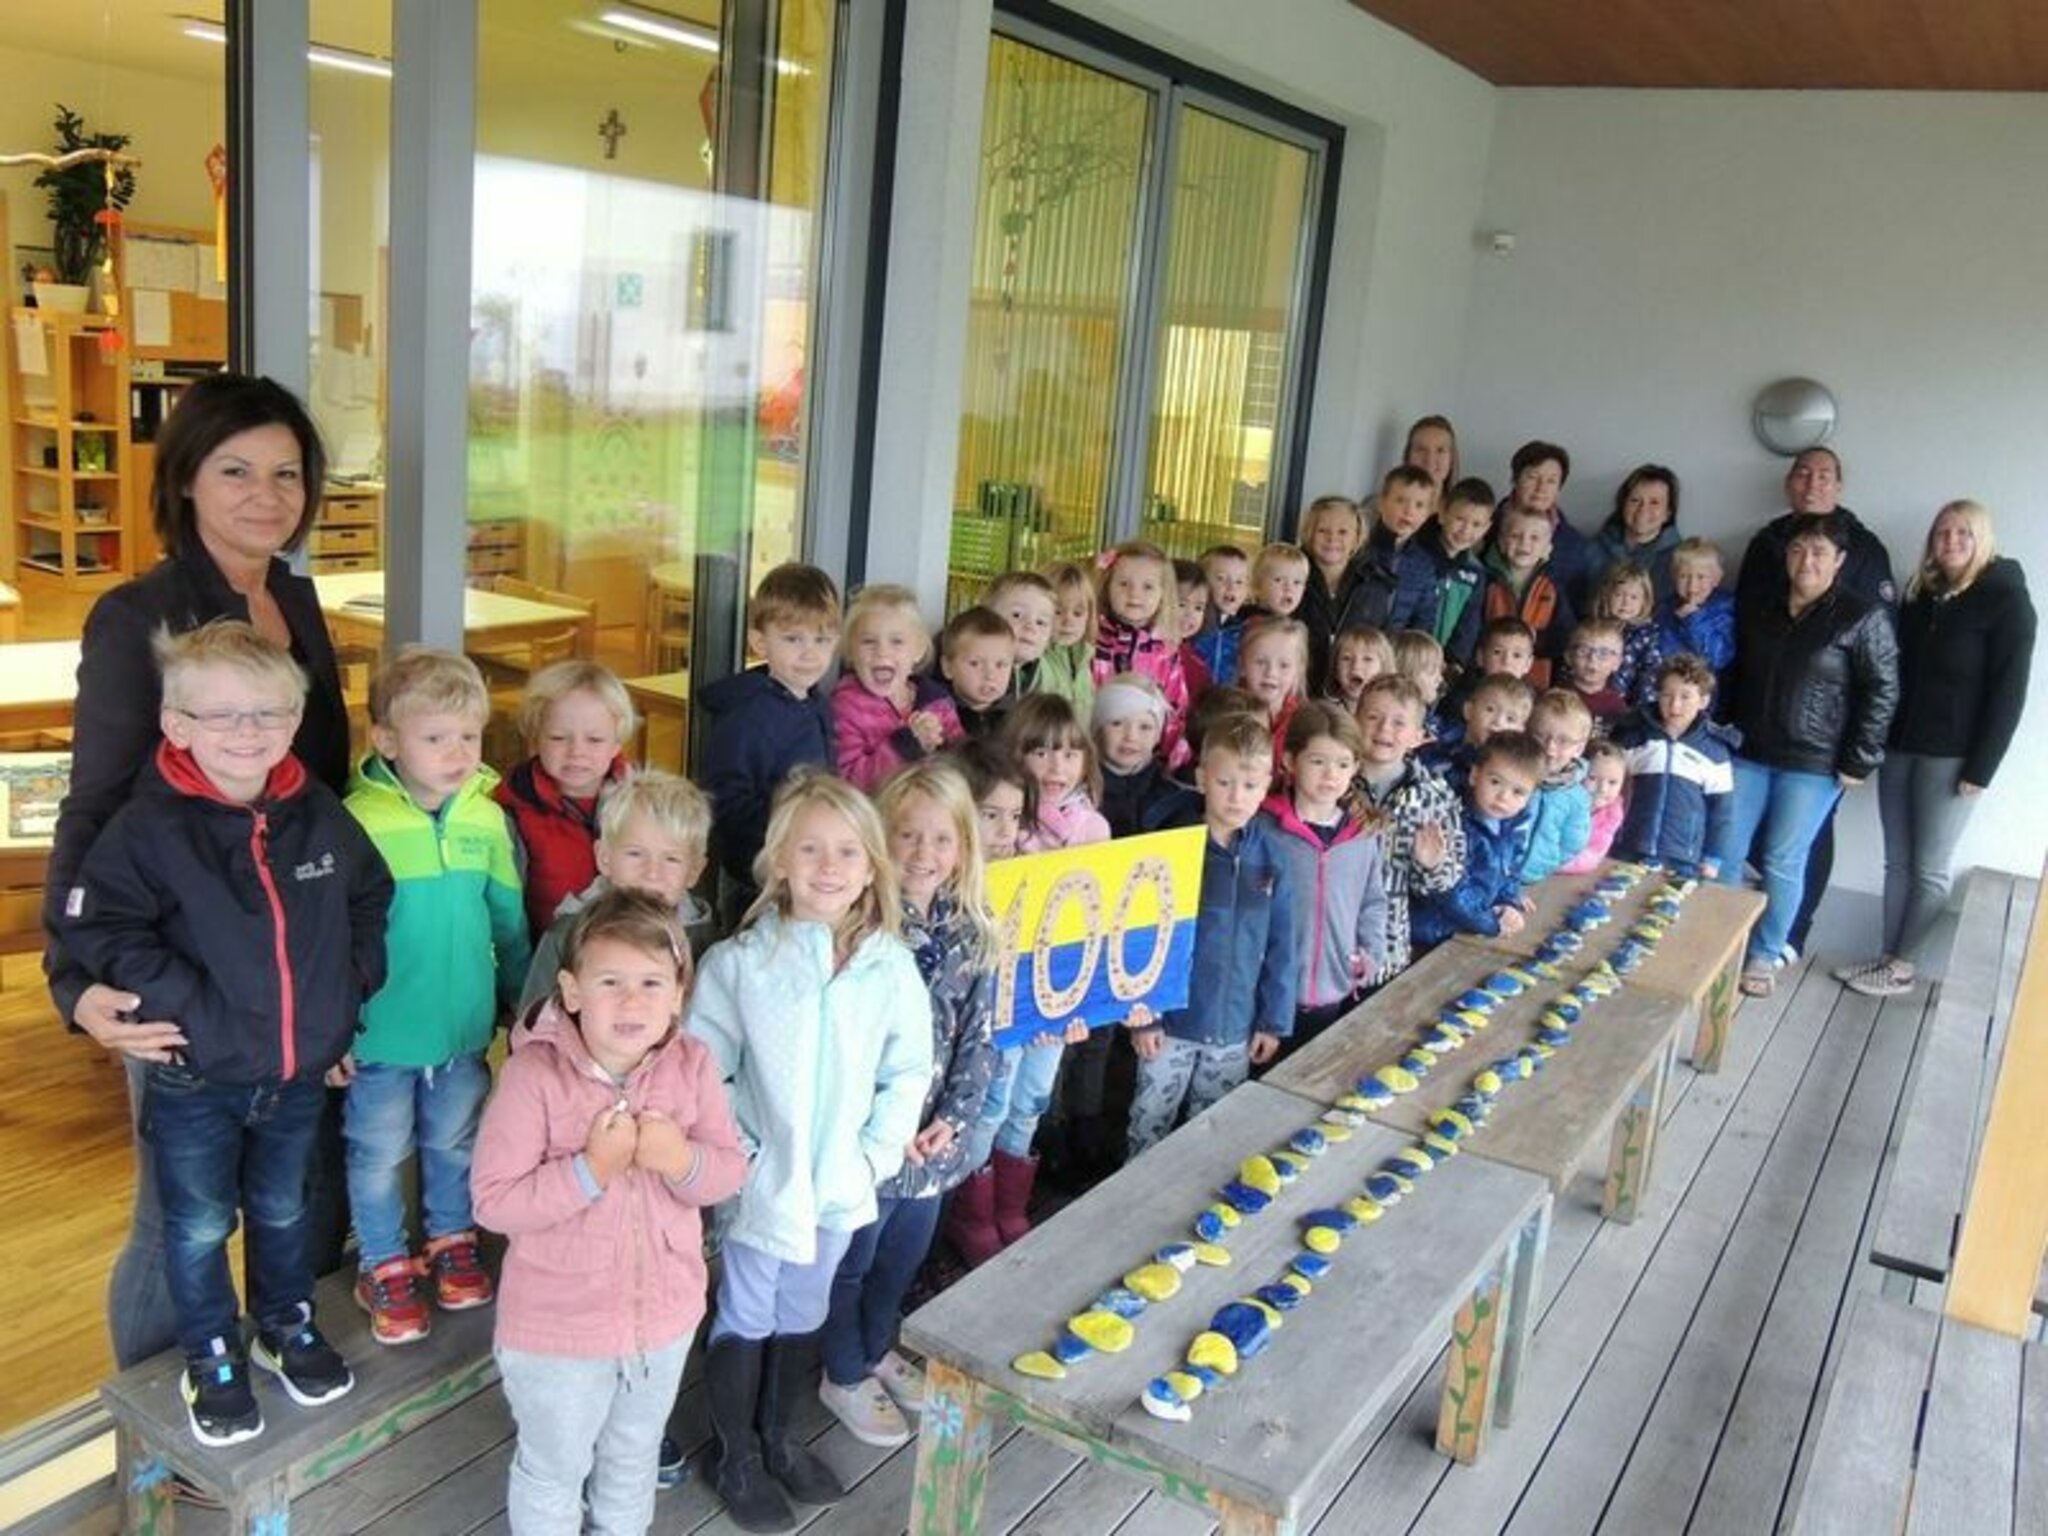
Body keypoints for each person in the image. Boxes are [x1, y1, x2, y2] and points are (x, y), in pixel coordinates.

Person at [44, 371, 354, 1371]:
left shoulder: (295, 599)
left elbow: (322, 788)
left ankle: (276, 1367)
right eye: (235, 471)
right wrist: (74, 978)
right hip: (186, 969)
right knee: (180, 1216)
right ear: (185, 480)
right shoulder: (138, 613)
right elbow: (94, 804)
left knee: (297, 1191)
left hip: (293, 967)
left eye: (286, 473)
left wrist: (346, 973)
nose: (266, 495)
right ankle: (154, 1431)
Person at [60, 621, 391, 1445]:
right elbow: (104, 926)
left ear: (295, 718)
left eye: (270, 713)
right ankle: (211, 1353)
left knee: (283, 1210)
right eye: (223, 715)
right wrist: (187, 1002)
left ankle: (285, 1325)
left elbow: (369, 895)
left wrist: (344, 994)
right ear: (177, 725)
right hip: (194, 1076)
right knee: (198, 1226)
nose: (249, 731)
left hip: (295, 1076)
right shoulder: (148, 828)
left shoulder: (317, 812)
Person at [687, 774, 933, 1530]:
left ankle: (777, 1437)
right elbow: (706, 1068)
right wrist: (748, 1156)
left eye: (848, 852)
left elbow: (907, 1069)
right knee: (747, 1307)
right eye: (811, 850)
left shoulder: (889, 966)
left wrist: (873, 1157)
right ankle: (735, 1455)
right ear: (779, 860)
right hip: (764, 1184)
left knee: (805, 1307)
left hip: (839, 1184)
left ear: (871, 866)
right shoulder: (739, 965)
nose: (830, 867)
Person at [472, 891, 746, 1536]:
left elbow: (728, 1171)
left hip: (663, 1323)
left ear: (679, 994)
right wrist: (588, 1171)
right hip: (556, 1333)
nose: (631, 1001)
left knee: (633, 1456)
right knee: (554, 1470)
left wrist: (680, 1159)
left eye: (651, 982)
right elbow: (493, 1200)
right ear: (571, 991)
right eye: (610, 982)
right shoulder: (533, 1075)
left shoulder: (693, 1064)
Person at [342, 648, 531, 1345]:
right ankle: (383, 1263)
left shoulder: (486, 819)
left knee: (455, 1143)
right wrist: (334, 1031)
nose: (457, 753)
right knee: (378, 1154)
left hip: (463, 1033)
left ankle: (452, 1240)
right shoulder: (356, 823)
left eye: (469, 736)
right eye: (435, 737)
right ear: (387, 741)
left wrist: (521, 1006)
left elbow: (508, 922)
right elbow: (331, 942)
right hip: (380, 1037)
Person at [818, 762, 996, 1448]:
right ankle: (841, 1371)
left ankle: (874, 1347)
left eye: (941, 839)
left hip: (931, 1145)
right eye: (907, 836)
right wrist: (878, 1127)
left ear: (963, 847)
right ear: (879, 839)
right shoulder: (859, 927)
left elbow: (981, 1037)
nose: (924, 854)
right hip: (868, 1140)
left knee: (902, 1258)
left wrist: (953, 1119)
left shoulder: (974, 930)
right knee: (851, 1261)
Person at [1836, 501, 2036, 997]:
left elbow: (2009, 694)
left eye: (1963, 533)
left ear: (1983, 539)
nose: (1950, 541)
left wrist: (1981, 769)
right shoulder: (1921, 594)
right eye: (1942, 532)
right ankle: (1887, 957)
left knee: (1928, 868)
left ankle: (1904, 967)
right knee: (1898, 862)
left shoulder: (2007, 601)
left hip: (1953, 758)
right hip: (1901, 747)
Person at [1720, 516, 1900, 995]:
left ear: (1839, 561)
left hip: (1815, 763)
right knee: (1725, 851)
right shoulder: (1761, 605)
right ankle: (1720, 945)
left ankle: (1764, 955)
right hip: (1749, 751)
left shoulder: (1862, 616)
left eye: (1820, 552)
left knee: (1783, 859)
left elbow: (1882, 690)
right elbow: (1736, 672)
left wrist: (1860, 759)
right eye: (1799, 549)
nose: (1807, 561)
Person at [1126, 712, 1298, 1155]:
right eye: (1224, 783)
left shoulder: (1273, 857)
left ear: (1267, 786)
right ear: (1202, 778)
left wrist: (1272, 1021)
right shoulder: (1171, 848)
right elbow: (1144, 936)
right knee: (1148, 1126)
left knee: (1215, 1134)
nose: (1237, 796)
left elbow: (1283, 947)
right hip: (1170, 1027)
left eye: (1250, 785)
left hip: (1235, 1030)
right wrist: (1145, 1014)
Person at [700, 562, 841, 927]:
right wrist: (786, 833)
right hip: (755, 877)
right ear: (760, 642)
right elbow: (724, 800)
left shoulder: (816, 703)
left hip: (806, 867)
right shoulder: (746, 716)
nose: (810, 653)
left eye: (822, 640)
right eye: (793, 639)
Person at [521, 770, 719, 1015]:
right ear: (604, 858)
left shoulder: (704, 943)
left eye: (671, 859)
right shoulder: (565, 935)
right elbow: (533, 1022)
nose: (652, 873)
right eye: (635, 854)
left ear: (694, 871)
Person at [1264, 704, 1387, 1055]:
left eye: (1343, 764)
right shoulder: (1264, 829)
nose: (1331, 774)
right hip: (1269, 996)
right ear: (1290, 760)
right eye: (1318, 761)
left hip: (1335, 992)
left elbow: (1373, 902)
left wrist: (1369, 954)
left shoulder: (1362, 835)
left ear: (1356, 767)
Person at [497, 659, 636, 939]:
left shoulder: (642, 804)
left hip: (629, 951)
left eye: (594, 740)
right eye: (559, 738)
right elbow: (508, 912)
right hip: (549, 954)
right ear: (535, 740)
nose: (577, 752)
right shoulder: (512, 812)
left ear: (616, 744)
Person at [1353, 677, 1463, 979]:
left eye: (1398, 723)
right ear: (1354, 722)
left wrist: (1432, 865)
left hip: (1387, 944)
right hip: (1327, 940)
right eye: (1373, 717)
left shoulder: (1433, 795)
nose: (1384, 729)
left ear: (1418, 735)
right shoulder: (1336, 783)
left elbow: (1446, 879)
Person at [1410, 732, 1543, 952]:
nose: (1503, 797)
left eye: (1518, 792)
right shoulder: (1455, 824)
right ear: (1474, 775)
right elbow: (1451, 892)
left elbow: (1510, 870)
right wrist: (1493, 923)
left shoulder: (1512, 824)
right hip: (1435, 934)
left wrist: (1508, 902)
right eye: (1495, 782)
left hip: (1472, 928)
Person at [1611, 653, 1736, 878]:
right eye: (1666, 695)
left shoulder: (1715, 751)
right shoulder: (1634, 737)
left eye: (1685, 696)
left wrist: (1713, 858)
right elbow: (1611, 790)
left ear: (1704, 701)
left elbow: (1722, 812)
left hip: (1682, 857)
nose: (1675, 705)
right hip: (1628, 847)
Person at [832, 584, 962, 791]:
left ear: (918, 651)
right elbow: (848, 780)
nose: (882, 652)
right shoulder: (847, 707)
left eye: (897, 641)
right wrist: (906, 746)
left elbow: (963, 765)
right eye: (868, 641)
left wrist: (941, 744)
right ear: (851, 652)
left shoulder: (938, 702)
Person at [1092, 540, 1191, 761]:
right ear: (1107, 587)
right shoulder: (1093, 643)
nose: (1134, 594)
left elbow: (1176, 710)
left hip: (1148, 763)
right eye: (1124, 584)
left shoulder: (1166, 652)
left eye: (1147, 587)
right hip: (1094, 758)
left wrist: (1169, 761)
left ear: (1163, 594)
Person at [1297, 495, 1396, 691]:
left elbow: (1382, 644)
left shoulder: (1376, 586)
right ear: (1309, 533)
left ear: (1357, 537)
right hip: (1301, 689)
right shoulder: (1291, 576)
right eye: (1323, 530)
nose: (1332, 538)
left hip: (1354, 691)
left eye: (1343, 532)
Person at [1483, 503, 1578, 687]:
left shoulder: (1552, 585)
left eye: (1534, 538)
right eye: (1515, 536)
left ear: (1547, 548)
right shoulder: (1487, 579)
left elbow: (1565, 634)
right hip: (1489, 676)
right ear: (1501, 542)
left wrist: (1535, 640)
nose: (1524, 543)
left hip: (1536, 681)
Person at [1496, 440, 1594, 605]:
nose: (1541, 488)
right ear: (1515, 479)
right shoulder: (1481, 528)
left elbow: (1576, 607)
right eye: (1533, 477)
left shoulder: (1574, 545)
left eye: (1551, 481)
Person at [1518, 690, 1594, 883]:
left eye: (1563, 741)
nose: (1550, 748)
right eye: (1540, 736)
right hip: (1497, 869)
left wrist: (1550, 862)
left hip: (1538, 875)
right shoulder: (1514, 775)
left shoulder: (1578, 797)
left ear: (1579, 748)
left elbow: (1573, 841)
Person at [1093, 673, 1177, 837]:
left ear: (1157, 736)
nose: (1131, 736)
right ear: (1098, 729)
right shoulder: (1080, 795)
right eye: (1117, 723)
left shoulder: (1171, 795)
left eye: (1145, 727)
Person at [1424, 476, 1495, 666]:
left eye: (1476, 524)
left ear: (1487, 528)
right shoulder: (1417, 556)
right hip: (1412, 653)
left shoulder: (1476, 572)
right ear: (1442, 513)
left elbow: (1469, 625)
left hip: (1445, 665)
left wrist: (1455, 662)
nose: (1466, 530)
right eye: (1460, 519)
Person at [1587, 464, 1683, 605]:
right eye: (1635, 500)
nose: (1643, 509)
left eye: (1654, 502)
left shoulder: (1682, 560)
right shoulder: (1592, 549)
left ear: (1668, 513)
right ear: (1622, 505)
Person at [1656, 537, 1737, 695]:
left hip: (1704, 694)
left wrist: (1693, 619)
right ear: (1674, 577)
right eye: (1684, 576)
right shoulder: (1665, 607)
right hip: (1667, 688)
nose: (1692, 586)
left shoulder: (1724, 608)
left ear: (1716, 579)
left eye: (1701, 577)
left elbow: (1718, 658)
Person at [1369, 464, 1444, 633]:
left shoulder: (1424, 564)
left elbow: (1425, 618)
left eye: (1419, 505)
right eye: (1400, 500)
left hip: (1399, 644)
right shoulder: (1361, 548)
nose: (1409, 511)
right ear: (1381, 503)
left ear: (1427, 514)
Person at [1238, 617, 1312, 774]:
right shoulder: (1228, 714)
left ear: (1298, 671)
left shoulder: (1305, 721)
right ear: (1242, 665)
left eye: (1284, 665)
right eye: (1260, 662)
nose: (1271, 673)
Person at [1591, 561, 1666, 709]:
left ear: (1645, 601)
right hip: (1589, 701)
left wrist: (1641, 712)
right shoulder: (1592, 628)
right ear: (1607, 595)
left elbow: (1650, 675)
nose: (1625, 603)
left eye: (1634, 597)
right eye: (1619, 595)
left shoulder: (1648, 635)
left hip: (1626, 707)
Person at [937, 605, 1016, 738]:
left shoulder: (1020, 717)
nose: (990, 675)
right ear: (947, 667)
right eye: (975, 664)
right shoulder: (935, 714)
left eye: (1000, 664)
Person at [1037, 562, 1100, 718]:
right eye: (1057, 612)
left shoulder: (1083, 660)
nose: (1068, 621)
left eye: (1077, 613)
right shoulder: (1035, 661)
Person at [986, 570, 1058, 704]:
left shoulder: (1045, 678)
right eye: (1017, 615)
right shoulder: (978, 671)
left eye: (1040, 622)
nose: (1030, 627)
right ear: (987, 619)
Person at [1189, 543, 1253, 686]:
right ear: (1202, 582)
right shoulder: (1191, 622)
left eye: (1239, 582)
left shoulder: (1245, 630)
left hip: (1225, 697)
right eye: (1221, 578)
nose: (1231, 587)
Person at [1561, 738, 1628, 874]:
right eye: (1592, 778)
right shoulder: (1561, 801)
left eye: (1612, 782)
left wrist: (1555, 864)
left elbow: (1594, 854)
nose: (1602, 789)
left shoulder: (1613, 813)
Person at [1560, 618, 1631, 732]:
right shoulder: (1556, 698)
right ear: (1568, 656)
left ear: (1617, 663)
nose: (1592, 659)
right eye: (1583, 651)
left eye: (1603, 654)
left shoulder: (1616, 706)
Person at [1327, 624, 1396, 713]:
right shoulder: (1326, 713)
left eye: (1367, 659)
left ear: (1384, 669)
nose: (1356, 666)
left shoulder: (1393, 711)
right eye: (1346, 658)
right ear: (1335, 669)